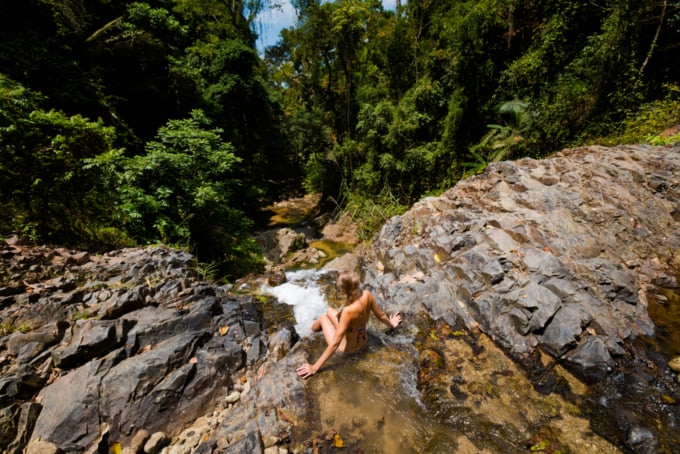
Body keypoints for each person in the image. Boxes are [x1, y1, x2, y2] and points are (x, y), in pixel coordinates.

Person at [296, 271, 402, 379]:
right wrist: (392, 324)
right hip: (362, 341)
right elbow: (381, 315)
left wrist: (315, 367)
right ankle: (312, 329)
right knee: (329, 311)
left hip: (345, 350)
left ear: (343, 291)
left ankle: (308, 332)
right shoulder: (367, 295)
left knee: (323, 318)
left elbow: (335, 343)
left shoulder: (348, 311)